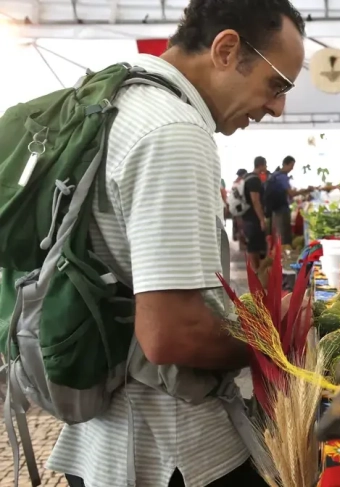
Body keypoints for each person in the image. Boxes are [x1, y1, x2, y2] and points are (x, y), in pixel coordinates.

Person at [46, 1, 306, 486]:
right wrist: (278, 336)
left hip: (101, 437)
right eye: (277, 84)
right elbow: (171, 334)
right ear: (227, 50)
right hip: (167, 450)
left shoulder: (111, 99)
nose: (278, 107)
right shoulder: (173, 132)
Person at [266, 155, 313, 248]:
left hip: (275, 209)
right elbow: (291, 193)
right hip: (281, 209)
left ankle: (280, 254)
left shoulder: (275, 175)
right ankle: (284, 255)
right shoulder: (282, 177)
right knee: (283, 234)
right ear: (286, 164)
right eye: (291, 165)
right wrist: (305, 190)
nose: (292, 168)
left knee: (278, 233)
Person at [243, 156, 270, 270]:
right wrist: (261, 220)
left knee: (253, 244)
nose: (266, 167)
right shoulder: (254, 180)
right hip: (253, 218)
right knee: (254, 246)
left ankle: (256, 271)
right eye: (265, 165)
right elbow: (255, 201)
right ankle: (256, 271)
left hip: (248, 217)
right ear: (261, 165)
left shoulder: (247, 177)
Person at [231, 168, 249, 242]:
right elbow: (239, 196)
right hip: (239, 206)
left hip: (235, 206)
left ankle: (239, 238)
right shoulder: (240, 183)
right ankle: (242, 239)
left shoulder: (235, 183)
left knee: (238, 224)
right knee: (241, 224)